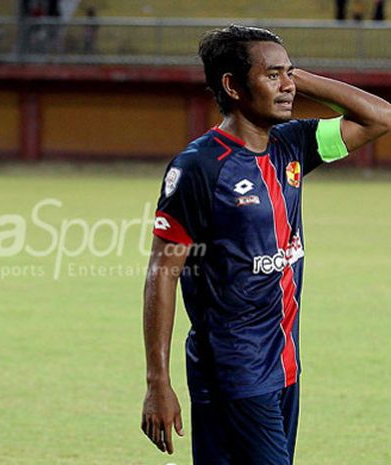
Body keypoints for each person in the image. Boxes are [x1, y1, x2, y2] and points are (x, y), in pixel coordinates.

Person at [140, 25, 390, 464]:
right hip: (234, 372)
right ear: (233, 86)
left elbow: (380, 118)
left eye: (288, 74)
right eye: (272, 75)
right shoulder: (199, 168)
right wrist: (157, 382)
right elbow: (162, 272)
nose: (288, 86)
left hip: (284, 366)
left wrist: (297, 76)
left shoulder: (292, 145)